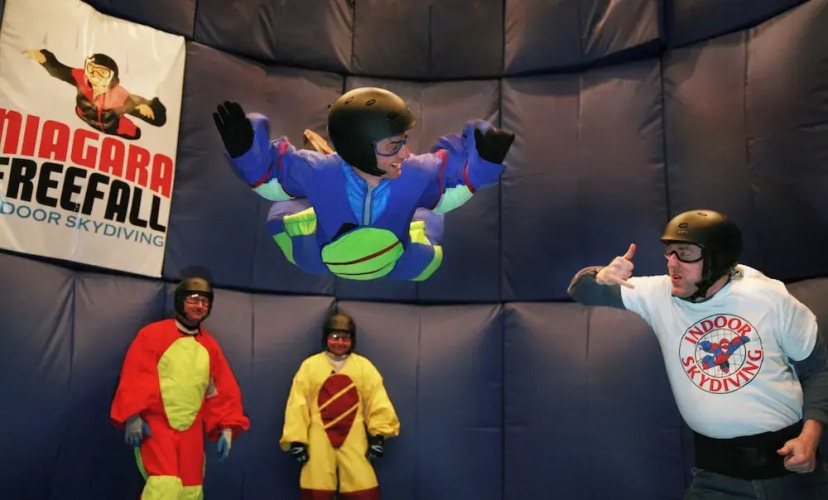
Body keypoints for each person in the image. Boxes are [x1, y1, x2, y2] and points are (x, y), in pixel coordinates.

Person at [568, 209, 828, 498]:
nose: (672, 263)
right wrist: (601, 276)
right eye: (669, 253)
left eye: (685, 254)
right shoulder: (659, 293)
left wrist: (810, 439)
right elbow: (581, 290)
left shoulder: (768, 297)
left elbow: (818, 370)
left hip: (790, 472)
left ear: (717, 258)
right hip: (715, 478)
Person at [212, 86, 515, 281]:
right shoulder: (319, 172)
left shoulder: (415, 172)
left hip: (396, 258)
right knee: (279, 220)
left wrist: (480, 163)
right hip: (324, 257)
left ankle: (413, 211)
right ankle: (308, 203)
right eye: (393, 146)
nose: (405, 154)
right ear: (359, 149)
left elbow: (452, 185)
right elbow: (271, 179)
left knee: (428, 256)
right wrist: (245, 152)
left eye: (404, 141)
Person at [111, 274, 250, 499]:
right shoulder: (153, 335)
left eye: (205, 302)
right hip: (157, 425)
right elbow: (136, 375)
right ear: (180, 301)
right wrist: (133, 415)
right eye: (193, 299)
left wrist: (227, 427)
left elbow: (221, 389)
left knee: (191, 489)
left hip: (191, 432)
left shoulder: (210, 347)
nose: (199, 306)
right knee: (164, 486)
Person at [280, 312, 400, 499]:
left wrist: (379, 435)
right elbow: (298, 403)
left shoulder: (363, 367)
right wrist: (296, 439)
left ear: (352, 340)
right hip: (318, 437)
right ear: (326, 338)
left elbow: (377, 399)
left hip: (354, 437)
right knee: (316, 483)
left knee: (361, 482)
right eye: (335, 337)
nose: (340, 342)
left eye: (345, 338)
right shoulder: (310, 367)